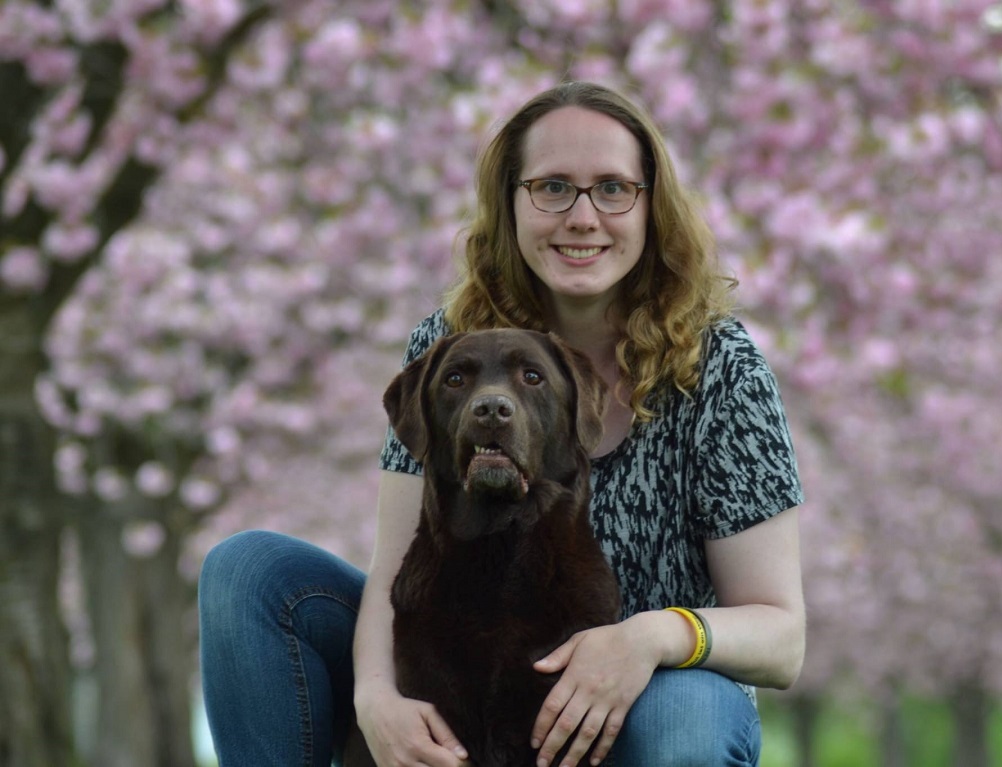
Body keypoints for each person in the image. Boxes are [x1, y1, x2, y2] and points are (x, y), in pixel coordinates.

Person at [198, 80, 805, 767]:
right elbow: (396, 565)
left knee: (688, 713)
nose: (582, 216)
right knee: (247, 571)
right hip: (451, 663)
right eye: (552, 187)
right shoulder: (451, 343)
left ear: (650, 206)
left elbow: (782, 637)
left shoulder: (719, 367)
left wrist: (650, 638)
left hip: (640, 703)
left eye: (612, 188)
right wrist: (376, 697)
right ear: (511, 202)